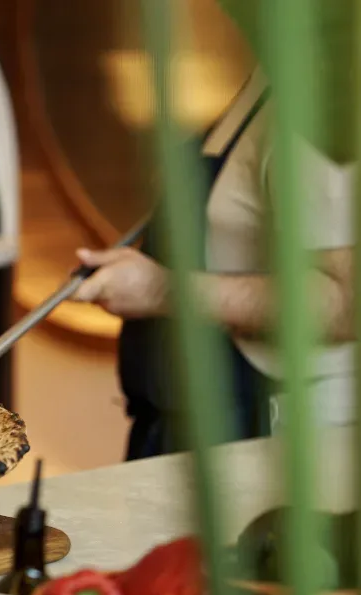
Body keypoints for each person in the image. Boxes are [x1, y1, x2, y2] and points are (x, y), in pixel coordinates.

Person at [73, 2, 356, 459]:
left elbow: (344, 302)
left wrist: (158, 289)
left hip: (260, 439)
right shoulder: (270, 75)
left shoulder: (327, 100)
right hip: (180, 423)